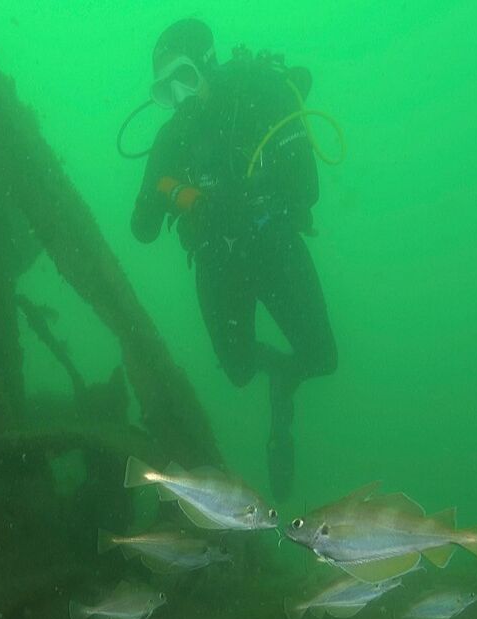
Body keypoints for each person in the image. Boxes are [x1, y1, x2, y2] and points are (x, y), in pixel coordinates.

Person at [132, 18, 337, 499]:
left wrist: (244, 205)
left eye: (184, 76)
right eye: (165, 88)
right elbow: (140, 231)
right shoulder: (171, 137)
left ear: (208, 63)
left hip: (275, 249)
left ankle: (287, 382)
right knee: (240, 370)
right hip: (217, 264)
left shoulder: (261, 94)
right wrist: (168, 193)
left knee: (324, 358)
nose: (178, 95)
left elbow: (307, 188)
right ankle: (276, 374)